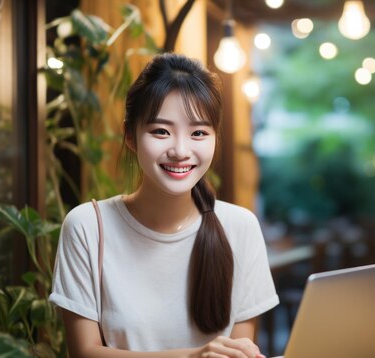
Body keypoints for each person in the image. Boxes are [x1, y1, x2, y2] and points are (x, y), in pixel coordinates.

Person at [49, 53, 279, 357]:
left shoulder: (240, 227)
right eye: (161, 131)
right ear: (130, 136)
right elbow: (84, 353)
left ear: (214, 137)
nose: (180, 151)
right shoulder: (88, 226)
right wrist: (193, 356)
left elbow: (239, 351)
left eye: (198, 132)